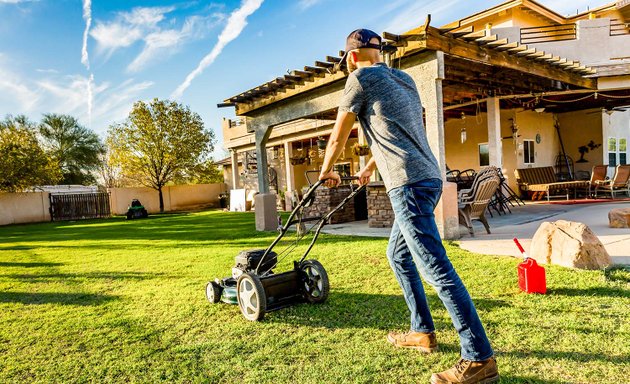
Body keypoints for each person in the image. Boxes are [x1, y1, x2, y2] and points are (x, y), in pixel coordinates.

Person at [318, 29, 498, 384]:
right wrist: (369, 167)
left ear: (351, 57)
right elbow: (401, 130)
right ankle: (422, 331)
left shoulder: (359, 78)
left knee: (434, 267)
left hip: (409, 185)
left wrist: (326, 172)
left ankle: (479, 358)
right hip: (429, 178)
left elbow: (339, 134)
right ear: (379, 52)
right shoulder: (403, 79)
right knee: (398, 255)